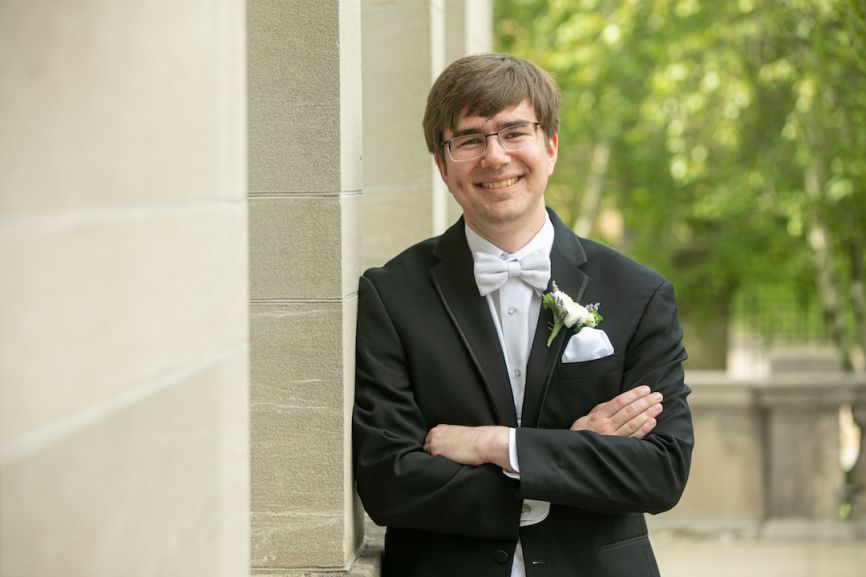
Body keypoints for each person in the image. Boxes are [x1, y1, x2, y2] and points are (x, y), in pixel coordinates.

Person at [352, 53, 693, 577]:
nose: (495, 156)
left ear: (550, 147)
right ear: (443, 166)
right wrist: (568, 458)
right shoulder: (392, 295)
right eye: (469, 140)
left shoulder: (639, 294)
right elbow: (389, 482)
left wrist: (494, 445)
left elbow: (660, 473)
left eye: (514, 132)